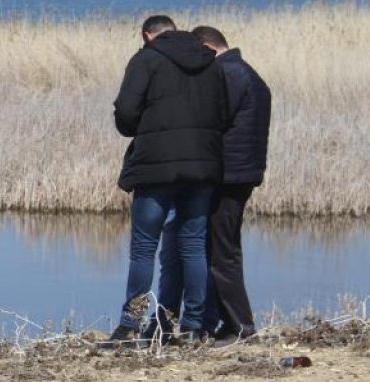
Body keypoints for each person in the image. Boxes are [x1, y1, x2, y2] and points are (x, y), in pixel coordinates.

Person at [106, 15, 227, 345]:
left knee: (144, 248)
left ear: (147, 35)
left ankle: (131, 324)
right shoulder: (210, 63)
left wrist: (144, 129)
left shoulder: (145, 60)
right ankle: (192, 326)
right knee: (193, 245)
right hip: (202, 167)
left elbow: (126, 113)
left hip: (155, 167)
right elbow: (223, 112)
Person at [191, 25, 271, 341]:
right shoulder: (245, 72)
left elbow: (214, 120)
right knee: (224, 246)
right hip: (243, 171)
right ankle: (228, 322)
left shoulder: (228, 73)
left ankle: (240, 326)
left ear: (209, 49)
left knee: (222, 251)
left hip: (230, 174)